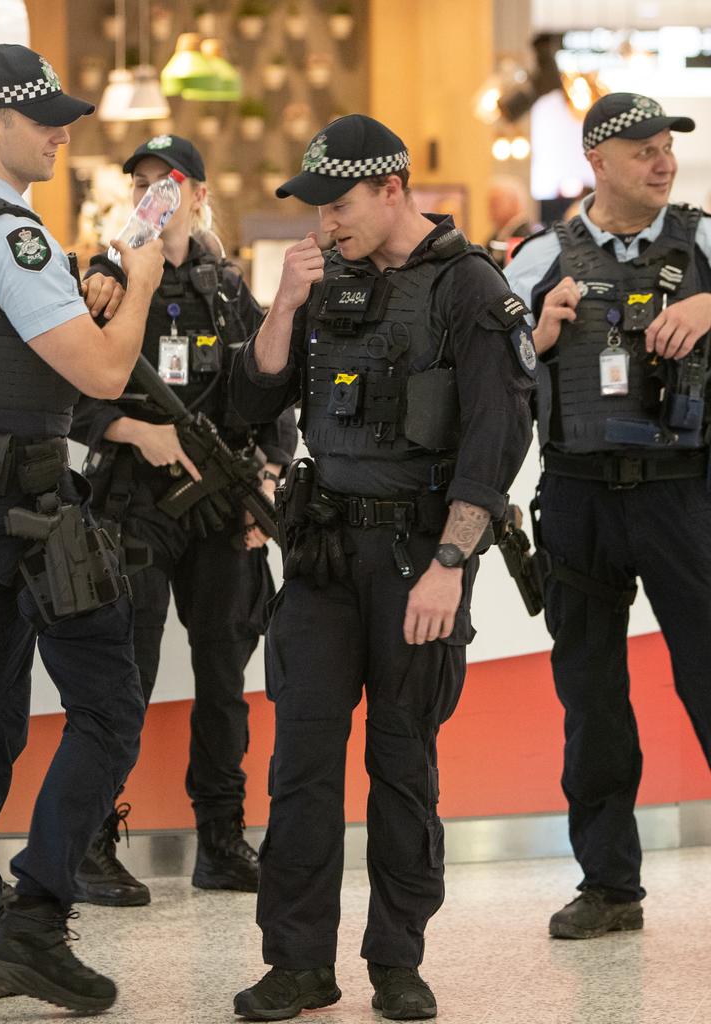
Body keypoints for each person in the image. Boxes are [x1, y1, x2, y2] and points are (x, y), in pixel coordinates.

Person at [229, 114, 535, 1021]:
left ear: (394, 188)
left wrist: (451, 561)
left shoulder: (472, 286)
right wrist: (280, 305)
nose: (324, 223)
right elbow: (253, 399)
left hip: (417, 561)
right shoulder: (322, 283)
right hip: (323, 557)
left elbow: (497, 436)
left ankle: (397, 961)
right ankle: (297, 964)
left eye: (339, 203)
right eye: (316, 208)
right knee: (302, 765)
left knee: (403, 765)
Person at [0, 44, 164, 1012]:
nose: (60, 129)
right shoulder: (10, 233)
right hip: (30, 509)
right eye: (42, 118)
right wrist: (143, 277)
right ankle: (34, 919)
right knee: (111, 705)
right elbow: (106, 376)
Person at [504, 92, 711, 940]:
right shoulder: (536, 257)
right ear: (596, 160)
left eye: (667, 149)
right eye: (643, 151)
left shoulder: (701, 242)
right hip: (579, 498)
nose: (662, 162)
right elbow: (487, 363)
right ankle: (609, 887)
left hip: (682, 492)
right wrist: (538, 342)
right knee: (591, 698)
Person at [71, 134, 297, 906]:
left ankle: (223, 840)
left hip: (220, 507)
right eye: (140, 183)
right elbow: (71, 393)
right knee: (121, 674)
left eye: (168, 182)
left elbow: (273, 389)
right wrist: (141, 433)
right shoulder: (107, 280)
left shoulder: (229, 289)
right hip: (137, 501)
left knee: (223, 677)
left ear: (199, 194)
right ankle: (91, 842)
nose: (153, 195)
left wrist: (265, 471)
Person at [484, 175, 537, 268]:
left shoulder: (521, 236)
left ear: (514, 203)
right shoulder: (501, 234)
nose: (489, 209)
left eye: (495, 203)